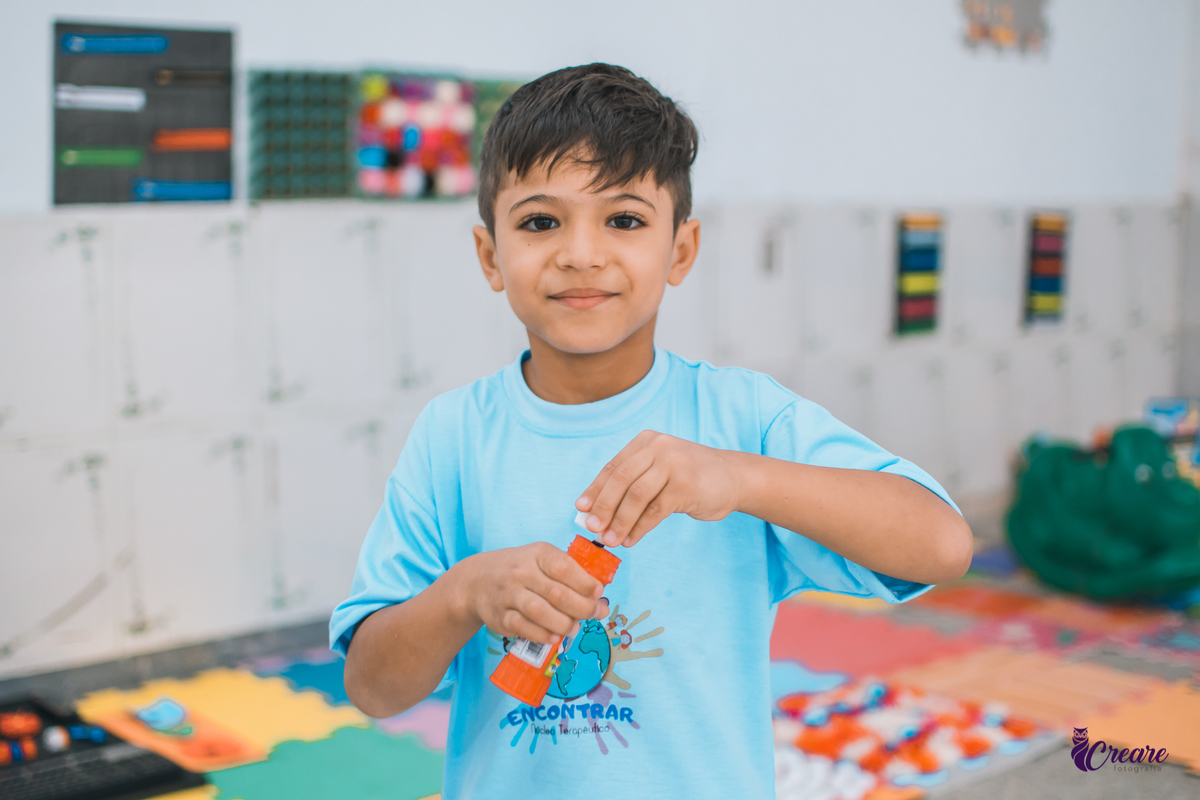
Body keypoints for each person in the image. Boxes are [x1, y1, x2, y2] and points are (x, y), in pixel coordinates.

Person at [331, 63, 972, 799]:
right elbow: (373, 688)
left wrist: (739, 478)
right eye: (541, 222)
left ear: (681, 251)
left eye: (625, 220)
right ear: (490, 257)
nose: (581, 253)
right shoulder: (453, 436)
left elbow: (943, 545)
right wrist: (463, 594)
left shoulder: (742, 419)